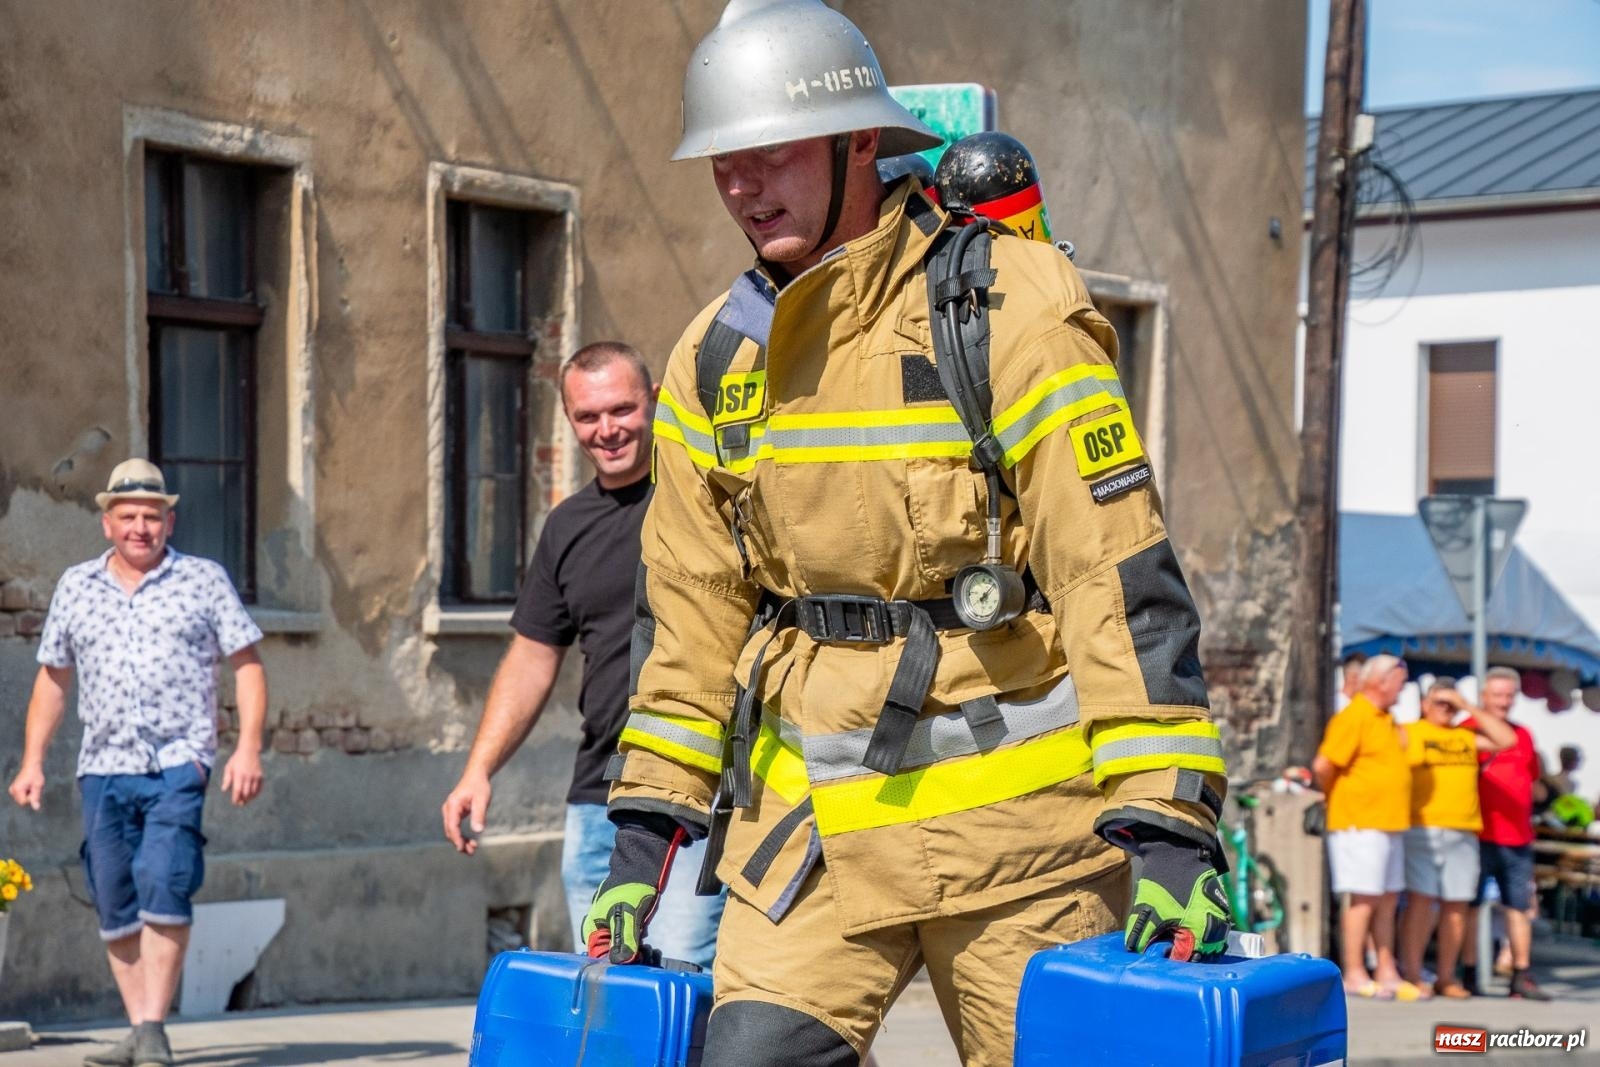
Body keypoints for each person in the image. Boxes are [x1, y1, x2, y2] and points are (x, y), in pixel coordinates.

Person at [583, 2, 1231, 1063]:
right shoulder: (714, 360)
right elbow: (689, 617)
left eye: (770, 152)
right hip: (810, 842)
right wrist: (644, 828)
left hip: (1027, 851)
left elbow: (1111, 569)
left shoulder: (1009, 306)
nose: (743, 184)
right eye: (723, 161)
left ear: (858, 145)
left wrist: (1167, 822)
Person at [440, 341, 725, 967]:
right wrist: (478, 770)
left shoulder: (704, 498)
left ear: (653, 402)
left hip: (695, 790)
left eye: (621, 409)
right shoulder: (567, 526)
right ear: (569, 420)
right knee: (603, 989)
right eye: (588, 416)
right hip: (599, 797)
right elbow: (532, 657)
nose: (607, 430)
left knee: (681, 987)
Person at [7, 459, 267, 1067]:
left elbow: (248, 665)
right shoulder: (76, 587)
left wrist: (248, 746)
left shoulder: (203, 581)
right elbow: (53, 680)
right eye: (128, 517)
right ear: (107, 523)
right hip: (102, 766)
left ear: (170, 520)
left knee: (166, 879)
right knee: (114, 896)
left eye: (152, 516)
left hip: (179, 761)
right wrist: (32, 761)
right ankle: (140, 1026)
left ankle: (152, 1027)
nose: (141, 528)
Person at [1396, 679, 1515, 999]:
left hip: (1464, 830)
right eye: (1439, 702)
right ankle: (1412, 972)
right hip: (1422, 827)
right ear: (1423, 704)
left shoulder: (1465, 735)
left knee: (1457, 905)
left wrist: (1467, 706)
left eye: (1450, 705)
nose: (1444, 709)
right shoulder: (1410, 731)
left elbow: (1506, 739)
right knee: (1421, 902)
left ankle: (1447, 977)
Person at [1312, 654, 1416, 1000]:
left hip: (1388, 822)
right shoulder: (1355, 715)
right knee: (1363, 900)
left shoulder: (1387, 719)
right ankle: (1354, 971)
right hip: (1360, 821)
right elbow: (1324, 765)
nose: (1402, 690)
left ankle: (1386, 969)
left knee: (1387, 899)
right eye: (1400, 682)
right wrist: (1336, 798)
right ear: (1381, 681)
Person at [1459, 666, 1551, 999]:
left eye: (1509, 695)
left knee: (1519, 907)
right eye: (1497, 695)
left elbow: (1534, 779)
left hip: (1518, 837)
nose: (1504, 701)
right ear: (1483, 697)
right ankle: (1468, 973)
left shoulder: (1524, 734)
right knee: (1471, 906)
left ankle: (1521, 974)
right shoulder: (1467, 732)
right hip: (1478, 835)